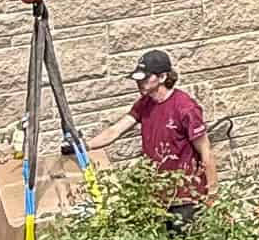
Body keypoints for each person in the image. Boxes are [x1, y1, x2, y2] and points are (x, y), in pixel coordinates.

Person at [88, 49, 218, 225]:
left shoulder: (185, 108)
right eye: (137, 79)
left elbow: (205, 151)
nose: (139, 83)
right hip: (157, 196)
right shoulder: (145, 104)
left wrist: (212, 193)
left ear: (163, 77)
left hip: (186, 197)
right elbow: (115, 130)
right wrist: (84, 146)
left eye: (145, 78)